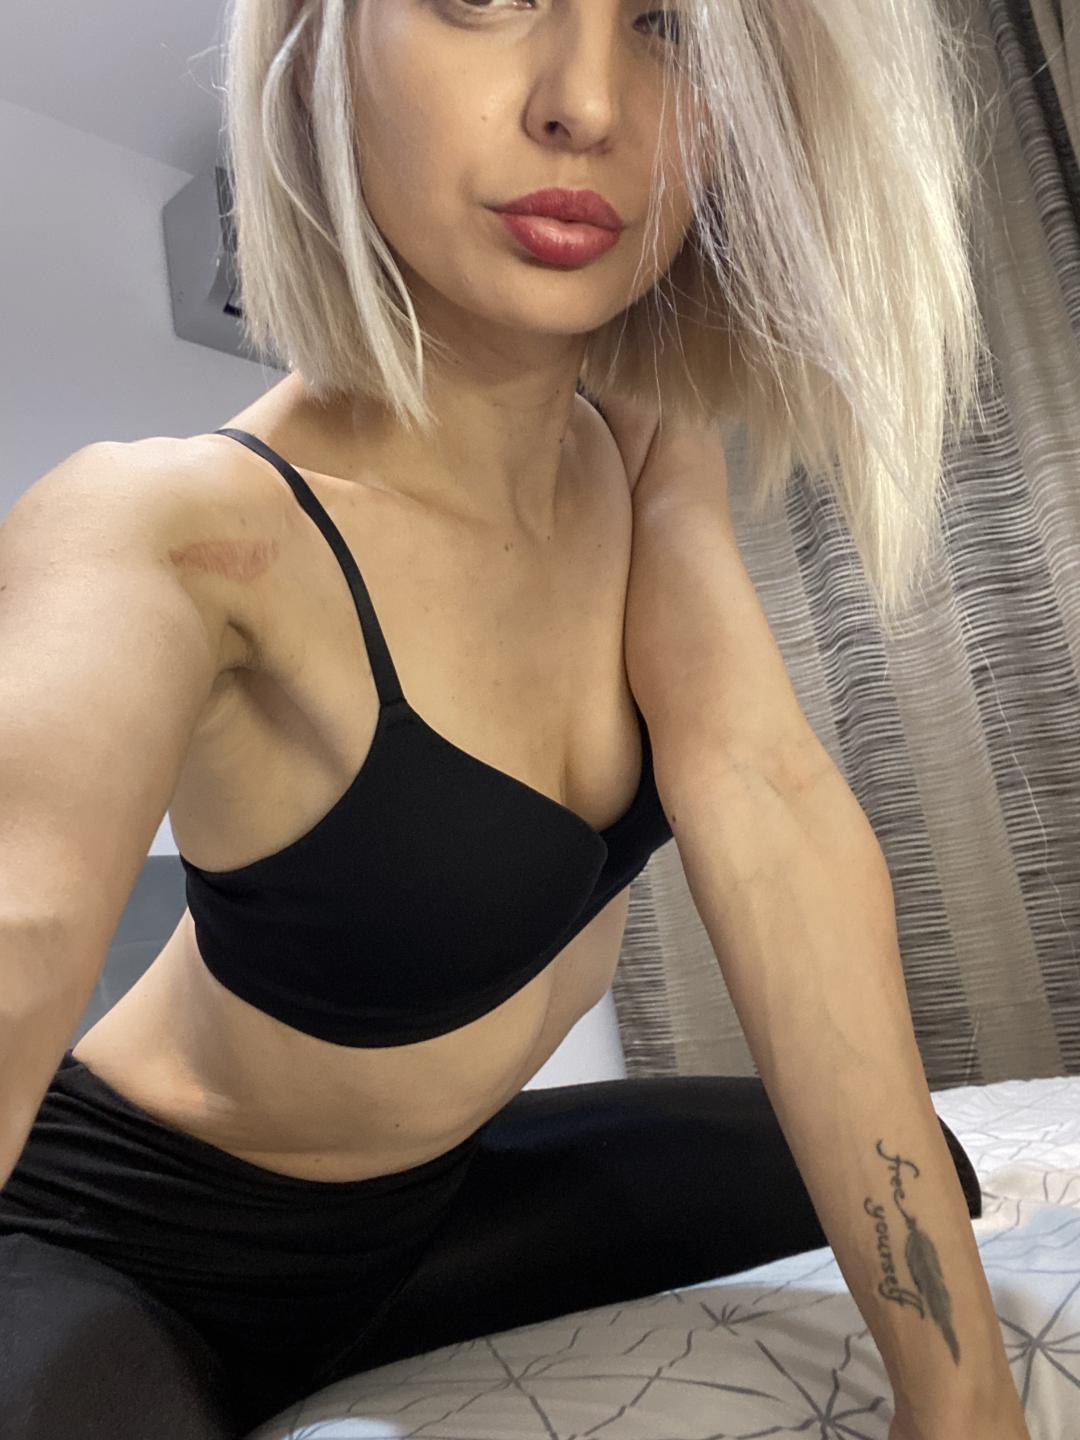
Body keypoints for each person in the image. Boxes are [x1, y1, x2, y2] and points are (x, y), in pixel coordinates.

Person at [0, 2, 996, 1436]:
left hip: (431, 1213)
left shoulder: (647, 448)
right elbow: (25, 930)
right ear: (321, 50)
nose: (586, 101)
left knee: (929, 1184)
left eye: (663, 25)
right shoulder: (169, 524)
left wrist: (963, 1407)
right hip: (130, 1240)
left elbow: (770, 810)